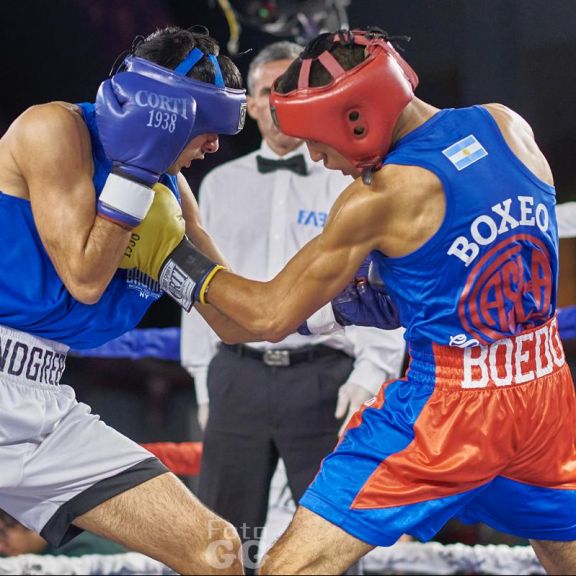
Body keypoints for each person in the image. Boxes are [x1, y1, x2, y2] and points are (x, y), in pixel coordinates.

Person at [123, 27, 576, 575]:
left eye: (319, 139)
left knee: (286, 568)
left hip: (447, 411)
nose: (319, 159)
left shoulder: (380, 196)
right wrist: (374, 298)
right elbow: (496, 261)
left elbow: (263, 316)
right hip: (545, 389)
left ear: (356, 119)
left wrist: (171, 254)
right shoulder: (506, 124)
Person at [0, 25, 249, 575]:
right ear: (165, 115)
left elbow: (233, 319)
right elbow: (85, 278)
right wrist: (135, 174)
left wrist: (346, 299)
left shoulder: (172, 188)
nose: (213, 146)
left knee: (217, 551)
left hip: (43, 400)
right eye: (206, 128)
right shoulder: (53, 129)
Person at [180, 40, 406, 573]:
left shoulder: (343, 176)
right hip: (238, 375)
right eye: (266, 92)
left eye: (289, 92)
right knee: (222, 537)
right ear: (252, 104)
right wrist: (202, 379)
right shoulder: (217, 182)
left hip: (323, 378)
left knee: (327, 536)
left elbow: (380, 275)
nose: (278, 105)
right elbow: (197, 288)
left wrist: (370, 372)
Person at [0, 510, 127, 558]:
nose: (1, 547)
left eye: (2, 535)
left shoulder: (84, 548)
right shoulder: (23, 555)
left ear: (21, 523)